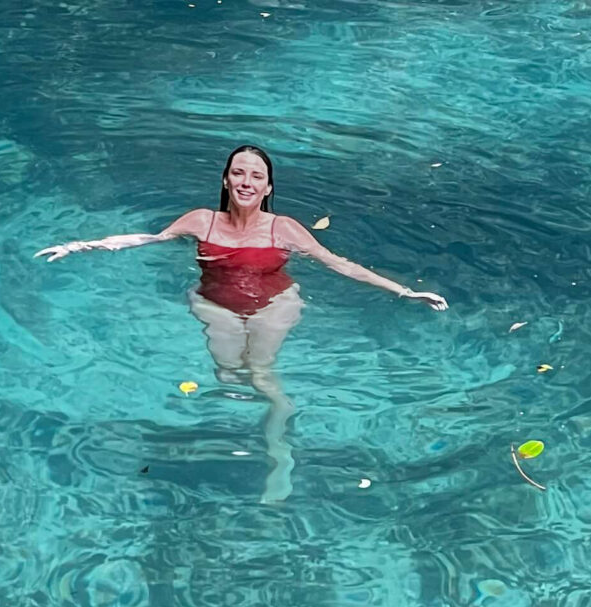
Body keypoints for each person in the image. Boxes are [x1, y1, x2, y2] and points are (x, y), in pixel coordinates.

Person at [36, 144, 447, 499]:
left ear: (268, 188)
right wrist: (79, 246)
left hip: (276, 303)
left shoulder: (284, 229)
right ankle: (252, 428)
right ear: (226, 180)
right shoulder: (201, 221)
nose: (247, 181)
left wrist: (405, 292)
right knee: (228, 373)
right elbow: (148, 238)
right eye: (238, 173)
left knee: (263, 375)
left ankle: (279, 450)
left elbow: (340, 265)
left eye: (256, 176)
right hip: (215, 302)